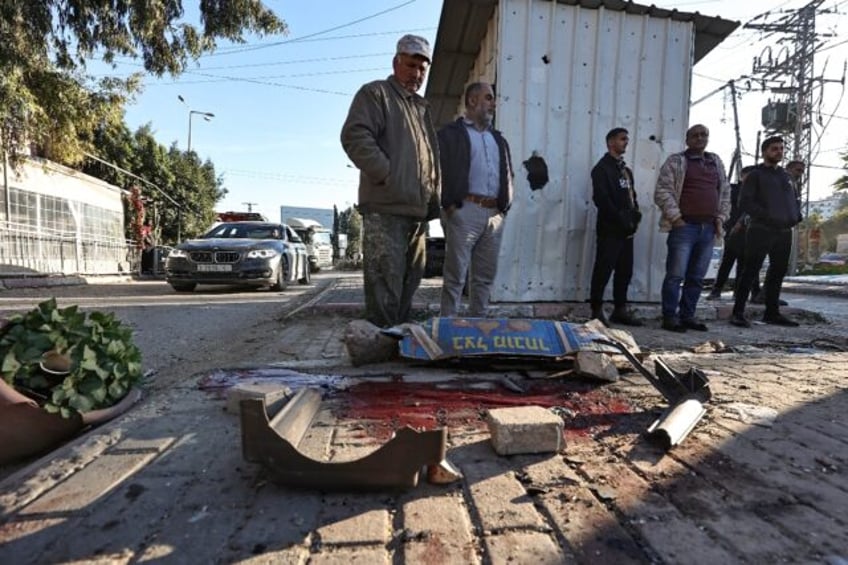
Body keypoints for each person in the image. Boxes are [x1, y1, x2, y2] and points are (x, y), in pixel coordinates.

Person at [340, 34, 441, 327]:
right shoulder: (376, 94)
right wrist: (387, 174)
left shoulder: (419, 108)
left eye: (422, 68)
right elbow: (355, 136)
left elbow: (427, 159)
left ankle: (395, 345)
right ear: (396, 62)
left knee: (409, 283)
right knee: (385, 285)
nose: (417, 74)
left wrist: (432, 197)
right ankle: (380, 349)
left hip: (417, 211)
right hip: (386, 208)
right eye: (411, 65)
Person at [437, 82, 514, 318]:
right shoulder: (450, 134)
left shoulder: (498, 139)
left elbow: (509, 173)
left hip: (494, 216)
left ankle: (478, 327)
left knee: (484, 277)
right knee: (456, 275)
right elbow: (437, 171)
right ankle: (448, 326)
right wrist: (449, 206)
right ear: (472, 101)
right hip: (464, 211)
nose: (493, 103)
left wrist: (505, 206)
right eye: (488, 98)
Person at [654, 124, 731, 332]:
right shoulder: (677, 161)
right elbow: (662, 191)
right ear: (687, 139)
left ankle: (688, 316)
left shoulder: (715, 162)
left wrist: (721, 218)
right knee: (675, 275)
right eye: (695, 135)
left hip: (708, 229)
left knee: (697, 277)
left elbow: (725, 193)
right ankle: (670, 316)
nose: (700, 138)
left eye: (704, 134)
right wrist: (676, 218)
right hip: (684, 227)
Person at [730, 136, 802, 328]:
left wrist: (796, 215)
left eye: (781, 148)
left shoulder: (786, 177)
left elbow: (794, 200)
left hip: (784, 231)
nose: (778, 152)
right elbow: (745, 202)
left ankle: (772, 313)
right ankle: (738, 313)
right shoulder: (756, 175)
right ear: (765, 152)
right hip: (761, 229)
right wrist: (768, 216)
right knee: (750, 270)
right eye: (774, 149)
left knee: (777, 272)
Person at [588, 127, 642, 327]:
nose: (626, 142)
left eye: (627, 139)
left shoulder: (625, 170)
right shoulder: (602, 169)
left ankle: (620, 309)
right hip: (610, 229)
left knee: (624, 270)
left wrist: (635, 216)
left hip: (627, 230)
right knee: (604, 268)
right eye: (622, 139)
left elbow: (632, 196)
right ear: (611, 142)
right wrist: (619, 218)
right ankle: (596, 310)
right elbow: (601, 199)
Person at [706, 165, 760, 300]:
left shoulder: (757, 192)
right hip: (734, 230)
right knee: (728, 261)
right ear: (743, 176)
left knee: (745, 263)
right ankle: (716, 289)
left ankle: (739, 292)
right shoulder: (733, 190)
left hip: (752, 231)